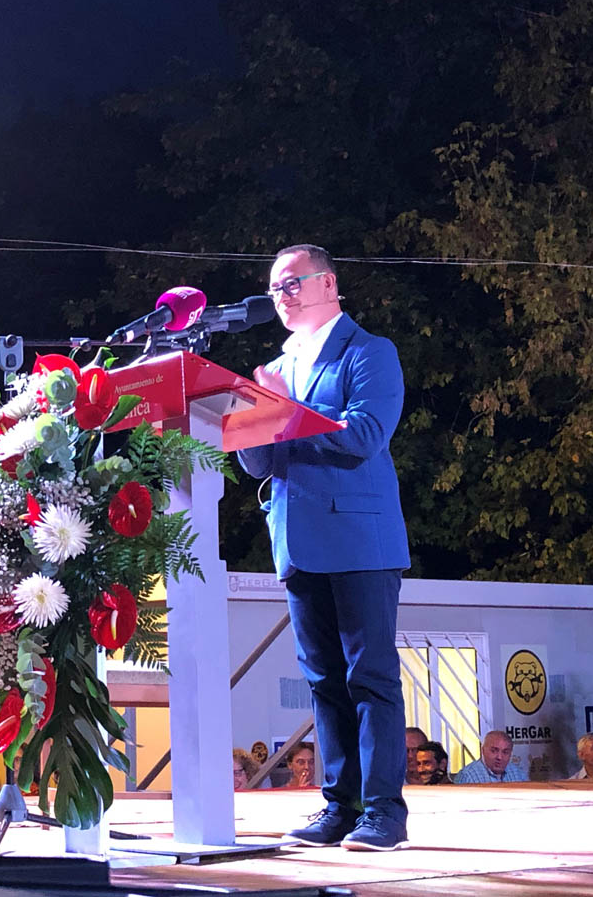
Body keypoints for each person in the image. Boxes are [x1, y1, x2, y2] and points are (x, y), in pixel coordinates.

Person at [238, 244, 411, 852]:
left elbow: (363, 435)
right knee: (324, 683)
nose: (281, 296)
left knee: (371, 678)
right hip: (297, 538)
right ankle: (340, 806)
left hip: (361, 539)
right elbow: (259, 459)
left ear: (328, 283)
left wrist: (283, 407)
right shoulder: (278, 364)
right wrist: (252, 418)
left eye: (292, 283)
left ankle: (385, 812)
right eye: (275, 288)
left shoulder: (368, 351)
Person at [455, 731, 527, 784]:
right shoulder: (468, 776)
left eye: (505, 752)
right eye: (494, 751)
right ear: (482, 750)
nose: (499, 757)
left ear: (511, 753)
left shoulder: (519, 774)